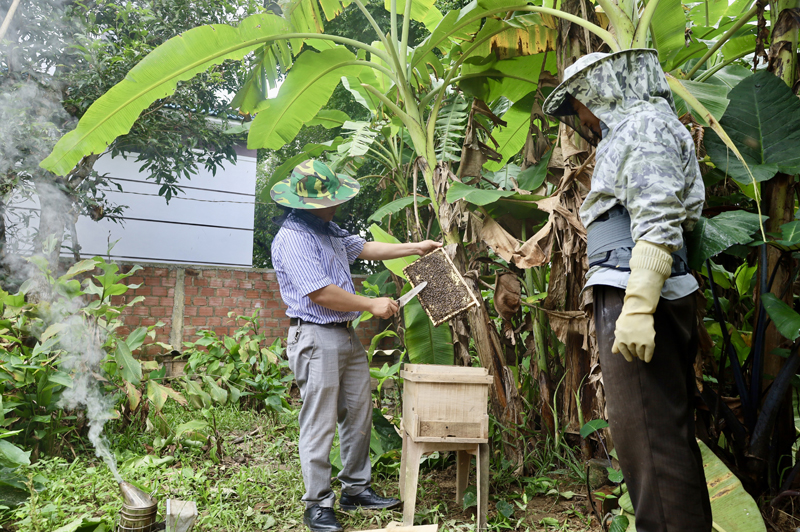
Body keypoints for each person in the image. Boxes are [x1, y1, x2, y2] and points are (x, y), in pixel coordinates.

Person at [543, 49, 712, 532]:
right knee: (659, 442)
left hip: (637, 291)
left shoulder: (642, 126)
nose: (582, 118)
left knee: (651, 445)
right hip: (635, 287)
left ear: (601, 90)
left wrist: (637, 307)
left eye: (579, 105)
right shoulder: (644, 126)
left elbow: (658, 215)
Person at [270, 160, 441, 532]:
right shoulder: (293, 237)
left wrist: (417, 247)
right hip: (315, 335)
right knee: (319, 423)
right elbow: (319, 291)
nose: (336, 206)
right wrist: (370, 304)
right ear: (306, 204)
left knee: (359, 414)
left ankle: (355, 490)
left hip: (344, 335)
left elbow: (363, 247)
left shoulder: (328, 230)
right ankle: (317, 504)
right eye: (329, 201)